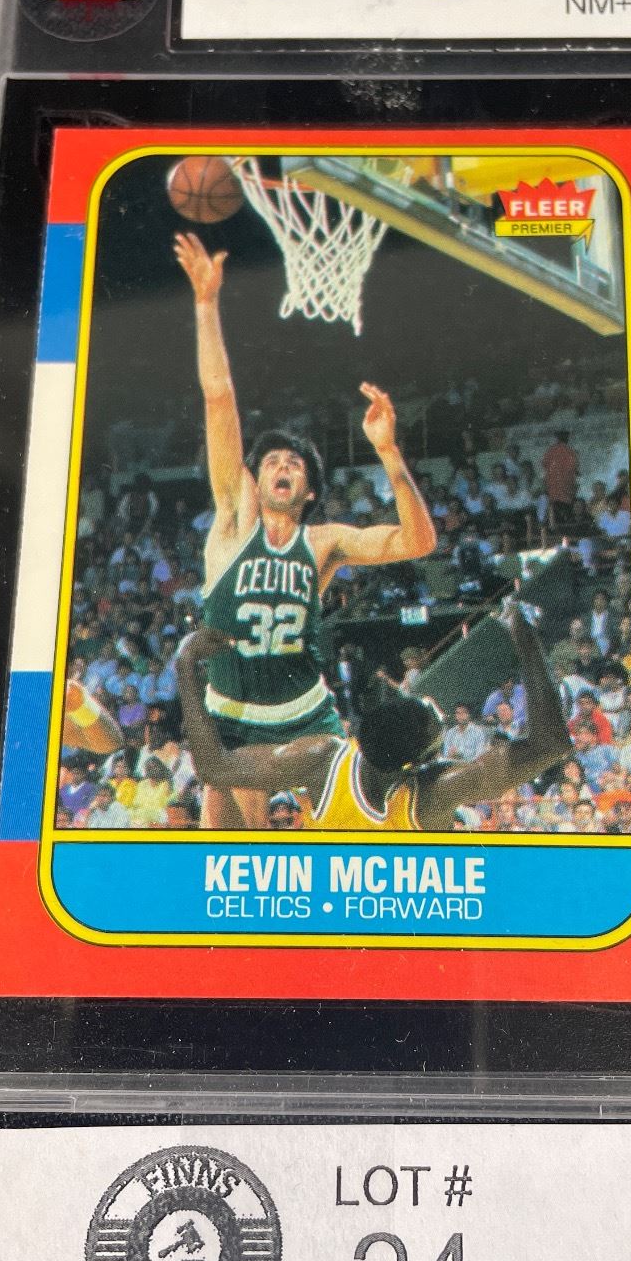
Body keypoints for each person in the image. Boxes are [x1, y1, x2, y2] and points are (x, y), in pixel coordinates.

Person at [175, 233, 437, 829]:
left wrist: (388, 451)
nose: (282, 466)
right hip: (231, 711)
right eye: (271, 461)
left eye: (294, 464)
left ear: (309, 490)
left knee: (350, 825)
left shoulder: (324, 543)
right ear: (254, 479)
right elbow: (218, 397)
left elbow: (418, 542)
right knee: (226, 843)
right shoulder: (233, 518)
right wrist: (205, 304)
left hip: (304, 712)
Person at [175, 599, 570, 835]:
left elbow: (213, 766)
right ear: (419, 763)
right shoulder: (432, 793)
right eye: (436, 725)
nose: (437, 711)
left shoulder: (322, 759)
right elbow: (551, 745)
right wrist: (525, 639)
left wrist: (186, 663)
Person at [542, 430, 578, 530]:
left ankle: (553, 529)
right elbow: (575, 469)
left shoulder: (550, 451)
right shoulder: (570, 452)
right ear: (567, 438)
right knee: (565, 517)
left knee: (553, 514)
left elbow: (544, 464)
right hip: (566, 490)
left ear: (557, 438)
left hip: (553, 490)